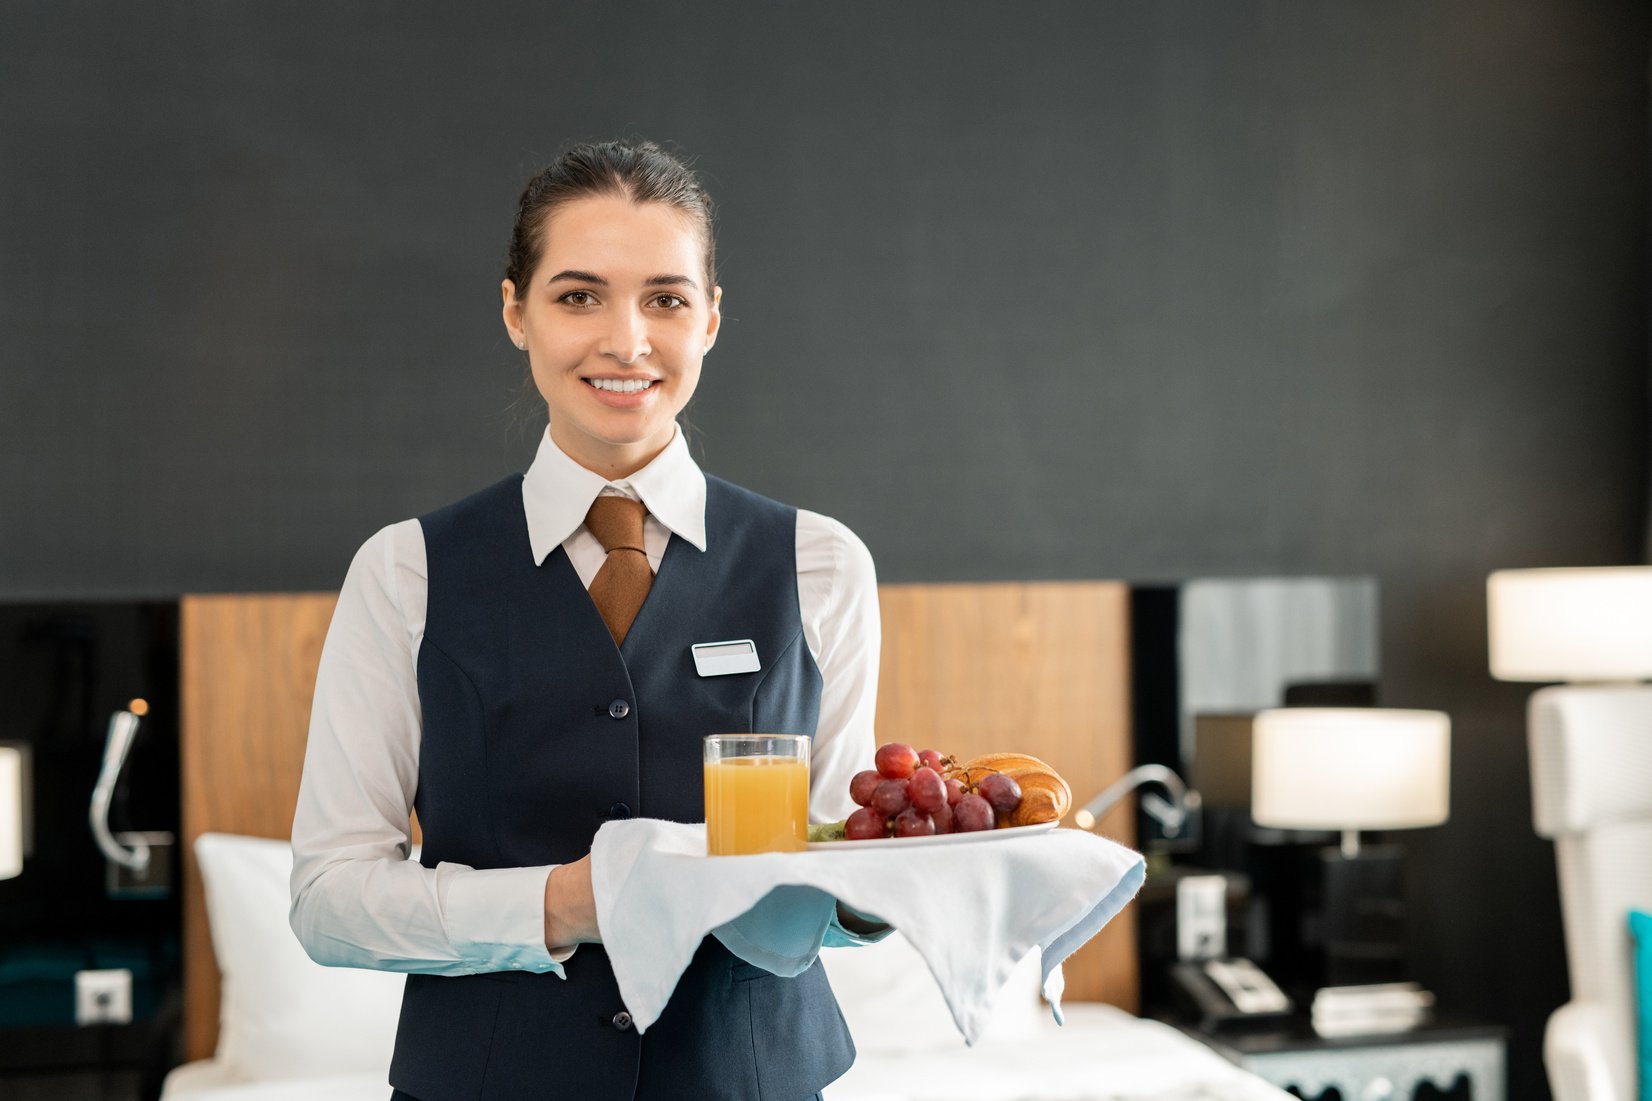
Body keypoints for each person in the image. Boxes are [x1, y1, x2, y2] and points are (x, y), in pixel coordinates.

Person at [289, 139, 883, 1101]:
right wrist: (565, 903)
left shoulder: (823, 566)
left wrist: (889, 892)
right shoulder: (405, 572)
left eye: (666, 298)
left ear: (712, 320)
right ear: (515, 311)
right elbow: (328, 903)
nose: (627, 341)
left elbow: (831, 870)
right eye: (578, 296)